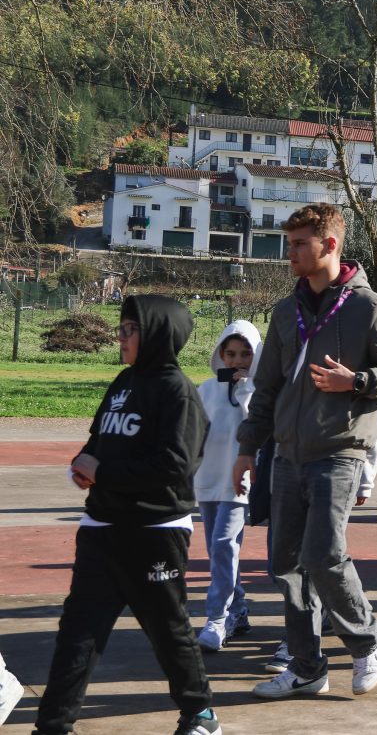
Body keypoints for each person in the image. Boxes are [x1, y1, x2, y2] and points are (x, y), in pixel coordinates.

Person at [233, 203, 377, 700]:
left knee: (323, 554)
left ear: (330, 245)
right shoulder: (284, 311)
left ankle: (367, 638)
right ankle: (307, 667)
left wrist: (354, 381)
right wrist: (248, 448)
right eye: (288, 243)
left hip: (339, 450)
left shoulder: (367, 307)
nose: (289, 253)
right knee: (285, 564)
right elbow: (266, 388)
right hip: (287, 454)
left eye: (299, 244)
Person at [36, 295, 221, 735]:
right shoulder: (123, 382)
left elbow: (175, 466)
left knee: (167, 630)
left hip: (154, 530)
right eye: (120, 328)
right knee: (78, 634)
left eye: (130, 330)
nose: (120, 337)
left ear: (158, 334)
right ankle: (53, 727)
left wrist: (104, 472)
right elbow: (98, 440)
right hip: (101, 526)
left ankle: (199, 715)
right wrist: (83, 464)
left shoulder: (177, 391)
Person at [193, 321, 261, 653]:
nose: (237, 361)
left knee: (223, 544)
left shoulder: (259, 392)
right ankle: (238, 609)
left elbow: (257, 428)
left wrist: (247, 389)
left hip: (238, 483)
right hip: (207, 480)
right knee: (217, 550)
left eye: (245, 354)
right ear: (220, 354)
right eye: (231, 354)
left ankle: (217, 618)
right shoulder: (205, 390)